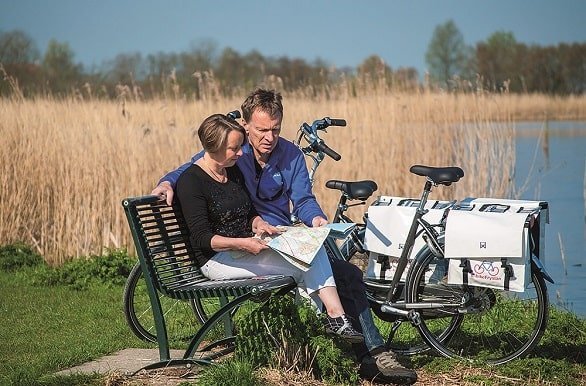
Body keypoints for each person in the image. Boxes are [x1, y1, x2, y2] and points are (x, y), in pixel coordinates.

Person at [153, 89, 417, 385]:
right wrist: (166, 181)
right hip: (247, 248)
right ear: (245, 125)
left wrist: (316, 219)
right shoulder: (233, 150)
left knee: (347, 274)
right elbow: (197, 167)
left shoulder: (291, 155)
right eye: (262, 129)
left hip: (281, 237)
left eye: (276, 129)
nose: (269, 136)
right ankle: (370, 355)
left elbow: (303, 199)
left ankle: (370, 352)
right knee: (340, 274)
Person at [176, 113, 364, 344]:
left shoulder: (230, 171)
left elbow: (247, 212)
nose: (241, 153)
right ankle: (307, 334)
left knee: (312, 250)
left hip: (242, 248)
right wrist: (244, 243)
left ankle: (330, 322)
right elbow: (202, 238)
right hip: (216, 260)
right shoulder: (191, 182)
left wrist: (259, 224)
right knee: (303, 267)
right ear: (214, 147)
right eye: (234, 148)